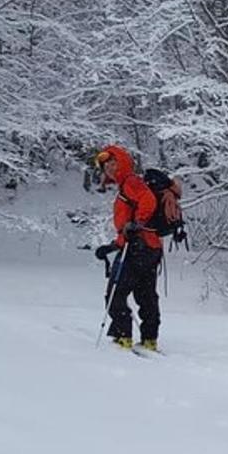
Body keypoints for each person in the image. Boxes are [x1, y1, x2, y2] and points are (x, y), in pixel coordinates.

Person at [92, 145, 163, 351]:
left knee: (115, 292)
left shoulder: (131, 182)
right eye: (106, 167)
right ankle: (150, 339)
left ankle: (123, 337)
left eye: (113, 163)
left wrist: (137, 223)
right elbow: (127, 228)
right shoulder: (128, 184)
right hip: (150, 247)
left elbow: (148, 201)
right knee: (146, 294)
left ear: (122, 161)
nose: (110, 169)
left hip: (138, 248)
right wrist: (112, 246)